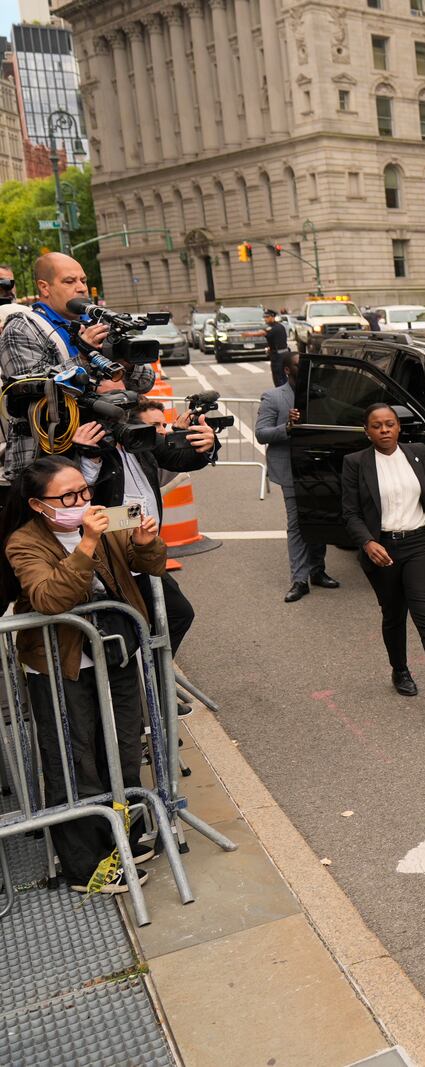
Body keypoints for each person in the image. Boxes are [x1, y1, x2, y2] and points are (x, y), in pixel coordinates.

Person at [1, 455, 167, 894]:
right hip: (61, 665)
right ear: (39, 505)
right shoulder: (23, 541)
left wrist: (147, 542)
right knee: (75, 762)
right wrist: (87, 543)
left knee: (124, 747)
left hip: (117, 652)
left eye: (84, 491)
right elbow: (50, 598)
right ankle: (85, 864)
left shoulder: (101, 520)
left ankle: (125, 837)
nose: (81, 501)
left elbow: (146, 565)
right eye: (69, 496)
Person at [342, 403, 425, 719]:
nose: (384, 430)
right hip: (383, 549)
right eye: (376, 425)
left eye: (389, 424)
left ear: (398, 427)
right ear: (367, 431)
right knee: (394, 614)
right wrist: (367, 542)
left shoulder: (417, 452)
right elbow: (351, 513)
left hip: (420, 545)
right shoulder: (355, 463)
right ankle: (399, 669)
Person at [81, 381, 217, 655]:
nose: (122, 405)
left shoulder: (139, 437)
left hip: (144, 553)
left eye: (126, 399)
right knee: (123, 638)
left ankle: (156, 685)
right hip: (110, 561)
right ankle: (146, 689)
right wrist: (89, 455)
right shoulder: (83, 440)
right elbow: (77, 498)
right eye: (113, 399)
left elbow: (181, 458)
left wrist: (207, 443)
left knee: (177, 615)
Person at [0, 253, 157, 481]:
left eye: (83, 280)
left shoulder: (95, 324)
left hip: (103, 453)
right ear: (45, 287)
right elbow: (27, 392)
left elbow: (145, 382)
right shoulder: (22, 328)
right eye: (69, 281)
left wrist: (125, 361)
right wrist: (83, 355)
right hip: (46, 461)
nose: (81, 288)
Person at [257, 351, 340, 602]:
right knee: (297, 524)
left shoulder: (320, 393)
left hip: (320, 467)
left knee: (319, 518)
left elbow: (333, 421)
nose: (303, 370)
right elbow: (262, 434)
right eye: (297, 366)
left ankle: (318, 571)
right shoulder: (273, 397)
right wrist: (288, 428)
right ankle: (299, 580)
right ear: (286, 371)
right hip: (291, 470)